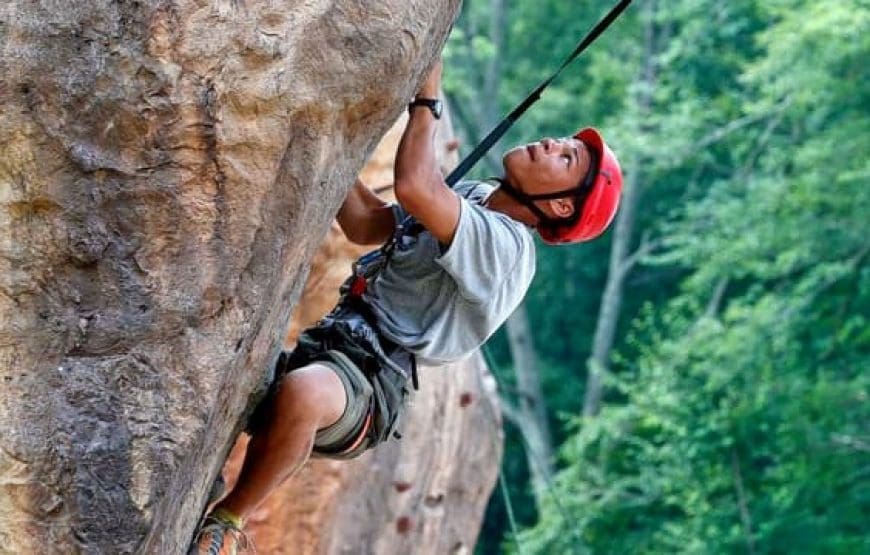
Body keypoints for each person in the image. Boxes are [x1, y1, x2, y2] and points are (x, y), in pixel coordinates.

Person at [191, 59, 623, 554]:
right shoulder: (476, 197)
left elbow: (417, 187)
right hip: (331, 343)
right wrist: (325, 142)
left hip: (371, 384)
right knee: (264, 374)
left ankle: (225, 523)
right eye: (562, 142)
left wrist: (426, 103)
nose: (550, 143)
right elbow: (364, 226)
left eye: (565, 159)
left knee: (305, 393)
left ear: (561, 206)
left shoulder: (508, 250)